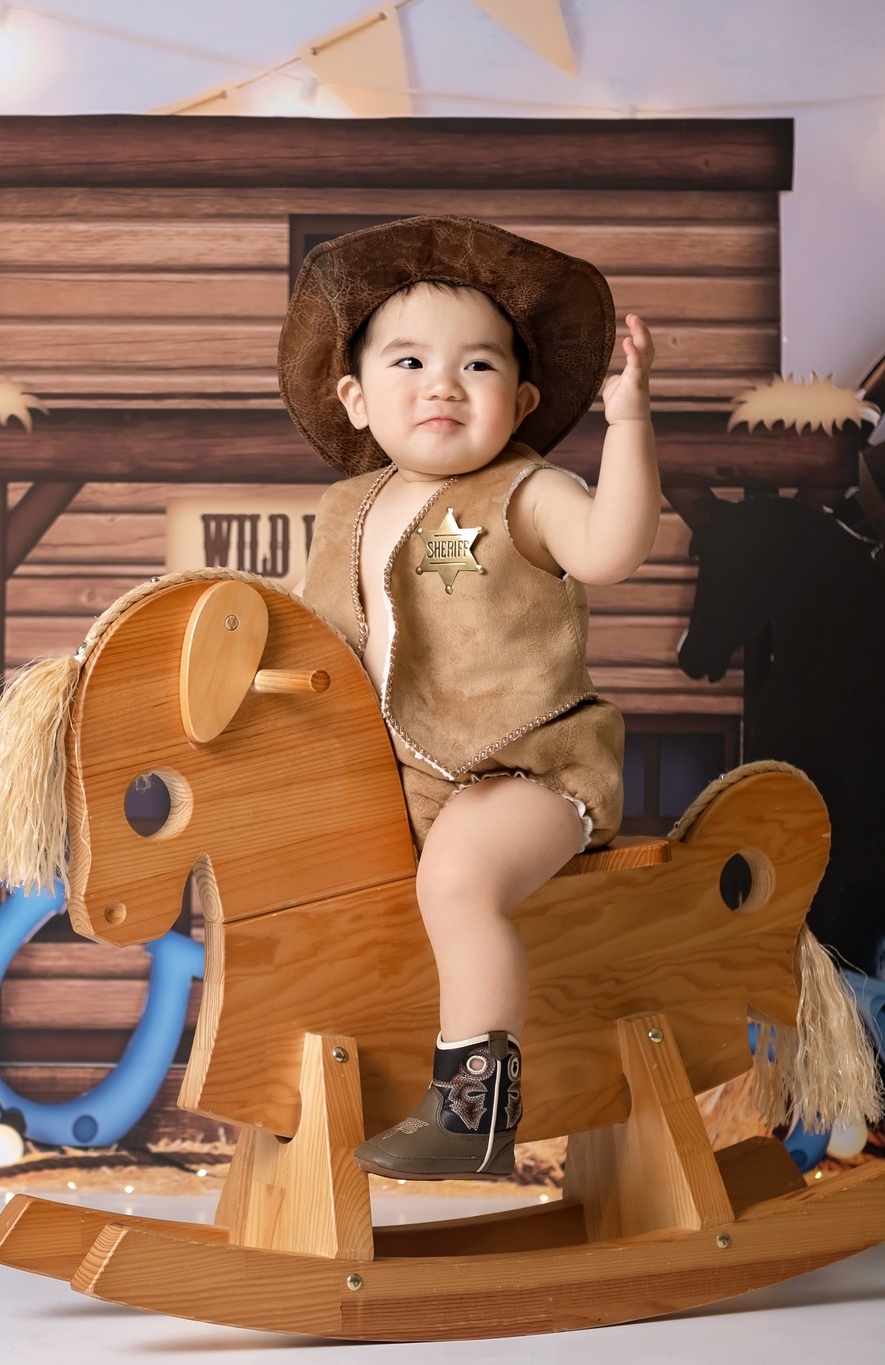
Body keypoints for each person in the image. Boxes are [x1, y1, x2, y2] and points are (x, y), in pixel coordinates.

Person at [281, 216, 662, 1178]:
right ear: (356, 398)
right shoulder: (343, 511)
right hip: (394, 775)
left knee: (459, 879)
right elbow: (305, 631)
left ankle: (475, 1109)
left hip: (528, 766)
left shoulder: (524, 491)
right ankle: (315, 1067)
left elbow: (613, 550)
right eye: (408, 361)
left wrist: (629, 423)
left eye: (479, 367)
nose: (444, 383)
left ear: (523, 399)